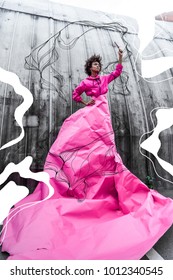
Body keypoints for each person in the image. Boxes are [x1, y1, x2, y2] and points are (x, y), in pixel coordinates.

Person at [1, 48, 173, 260]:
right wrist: (85, 103)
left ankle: (99, 180)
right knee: (85, 143)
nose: (97, 68)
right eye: (95, 65)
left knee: (105, 150)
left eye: (99, 65)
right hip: (93, 113)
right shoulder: (86, 83)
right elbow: (75, 94)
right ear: (89, 67)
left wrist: (119, 58)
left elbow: (117, 72)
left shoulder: (104, 80)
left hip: (103, 114)